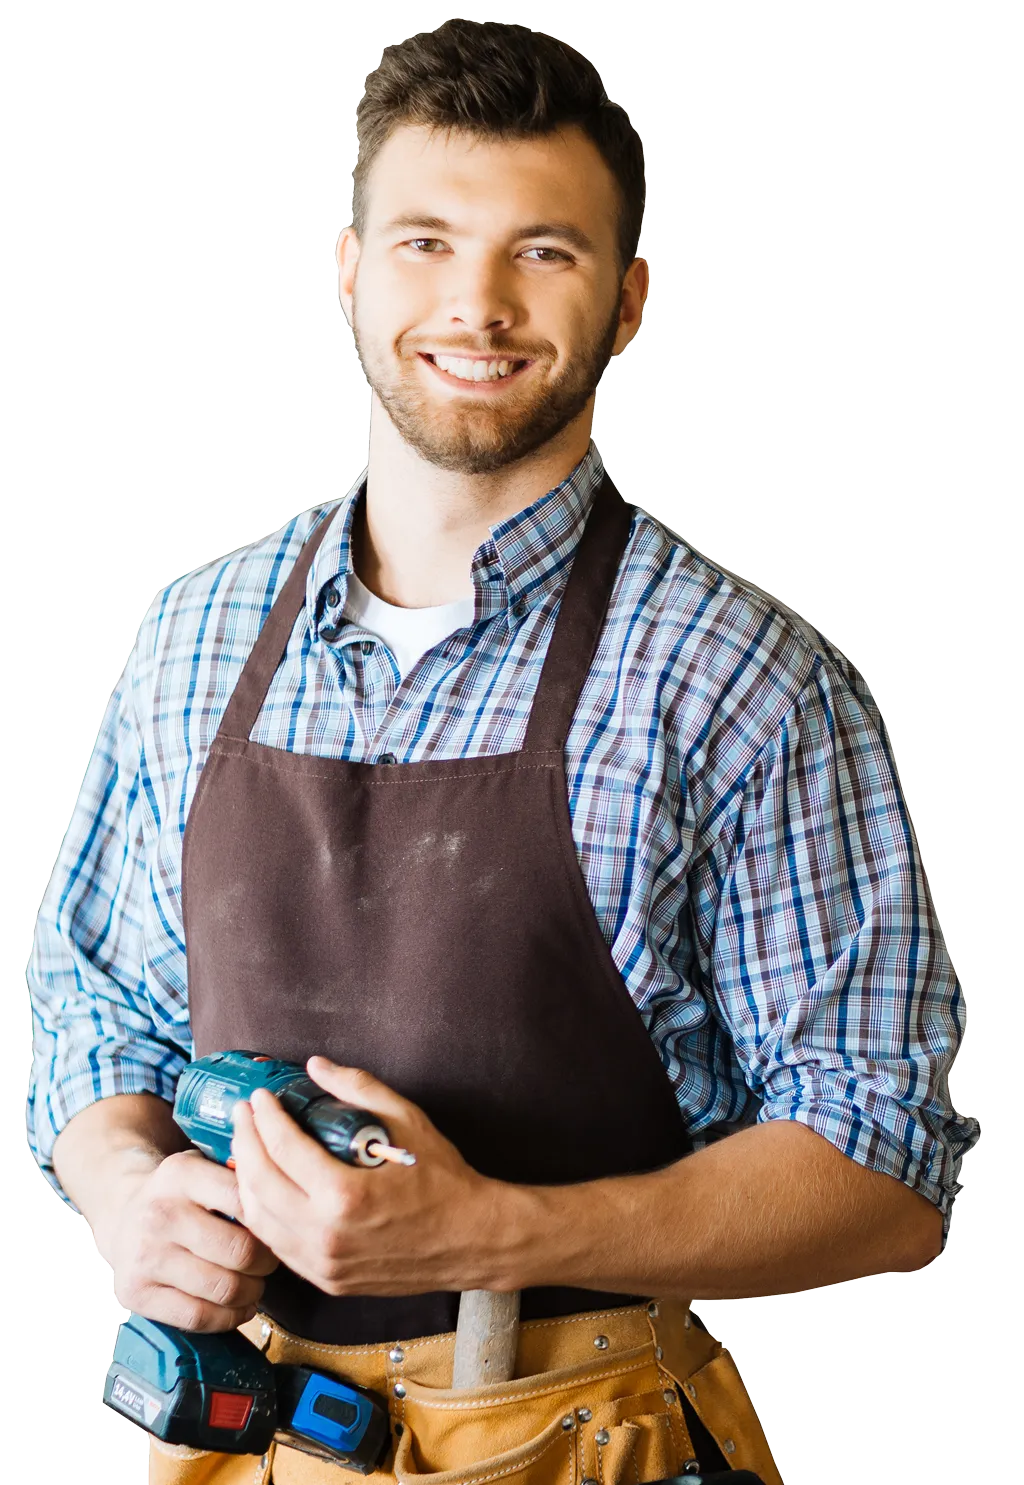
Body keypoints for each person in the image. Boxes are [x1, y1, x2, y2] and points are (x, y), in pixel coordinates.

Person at [25, 17, 980, 1485]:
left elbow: (883, 1165)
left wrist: (502, 1233)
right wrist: (124, 1193)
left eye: (545, 250)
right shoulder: (194, 636)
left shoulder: (743, 679)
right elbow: (94, 1015)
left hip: (583, 1439)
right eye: (424, 241)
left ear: (633, 296)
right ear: (344, 270)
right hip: (252, 1437)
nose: (476, 302)